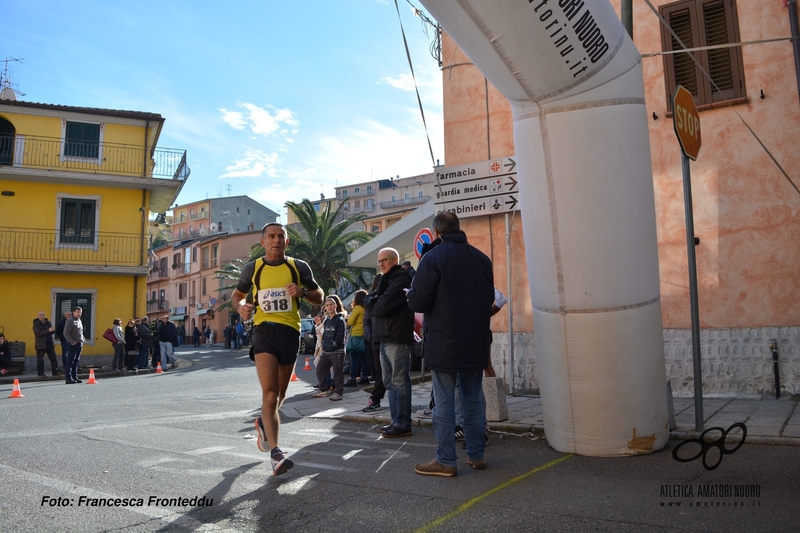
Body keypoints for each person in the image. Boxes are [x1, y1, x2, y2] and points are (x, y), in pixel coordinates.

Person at [231, 222, 323, 476]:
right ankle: (276, 454)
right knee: (269, 394)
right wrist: (241, 307)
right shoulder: (254, 268)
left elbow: (320, 296)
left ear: (287, 241)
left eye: (281, 236)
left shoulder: (298, 267)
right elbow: (237, 295)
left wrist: (302, 292)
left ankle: (263, 422)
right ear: (263, 242)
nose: (276, 240)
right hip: (263, 332)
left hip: (290, 333)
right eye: (271, 236)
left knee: (279, 396)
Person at [407, 211, 494, 477]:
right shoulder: (482, 259)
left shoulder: (432, 258)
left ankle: (445, 460)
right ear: (458, 228)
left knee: (444, 401)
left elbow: (418, 302)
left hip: (445, 341)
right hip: (475, 340)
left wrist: (412, 296)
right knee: (472, 399)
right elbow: (488, 297)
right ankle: (476, 455)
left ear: (436, 233)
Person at [364, 247, 415, 438]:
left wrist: (374, 300)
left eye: (385, 260)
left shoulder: (401, 278)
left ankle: (403, 423)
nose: (381, 264)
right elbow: (371, 303)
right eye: (379, 261)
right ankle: (397, 421)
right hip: (384, 337)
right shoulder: (385, 280)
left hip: (396, 336)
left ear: (395, 260)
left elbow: (380, 307)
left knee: (399, 381)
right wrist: (374, 300)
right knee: (389, 381)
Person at [312, 296, 346, 401]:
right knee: (320, 369)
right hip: (326, 350)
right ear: (325, 308)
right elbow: (322, 333)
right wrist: (324, 344)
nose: (329, 307)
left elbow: (340, 335)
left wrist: (334, 343)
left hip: (337, 351)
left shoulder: (340, 320)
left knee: (337, 373)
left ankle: (338, 393)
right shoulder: (326, 320)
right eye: (327, 305)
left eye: (331, 304)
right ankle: (323, 390)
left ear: (335, 305)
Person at [361, 274, 385, 413]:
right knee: (379, 372)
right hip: (376, 340)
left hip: (388, 338)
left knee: (390, 373)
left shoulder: (389, 296)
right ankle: (375, 400)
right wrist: (369, 335)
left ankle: (376, 399)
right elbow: (367, 320)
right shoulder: (371, 299)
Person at [345, 289, 369, 386]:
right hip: (365, 334)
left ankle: (352, 379)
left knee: (354, 358)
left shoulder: (358, 308)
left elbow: (350, 322)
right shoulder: (367, 308)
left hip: (356, 335)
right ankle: (365, 378)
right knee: (364, 358)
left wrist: (347, 319)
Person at [32, 311, 61, 378]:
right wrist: (48, 331)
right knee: (40, 360)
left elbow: (52, 331)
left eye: (43, 315)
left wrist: (53, 330)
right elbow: (38, 333)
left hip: (49, 343)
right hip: (40, 344)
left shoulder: (48, 322)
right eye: (40, 315)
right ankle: (41, 373)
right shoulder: (36, 324)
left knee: (53, 358)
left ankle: (55, 371)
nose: (42, 316)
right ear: (38, 316)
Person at [63, 307, 85, 384]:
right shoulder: (70, 320)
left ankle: (75, 376)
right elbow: (66, 333)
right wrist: (72, 341)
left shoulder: (79, 321)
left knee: (76, 360)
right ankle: (68, 377)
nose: (79, 313)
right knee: (70, 360)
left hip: (79, 342)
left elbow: (80, 331)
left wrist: (82, 338)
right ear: (73, 312)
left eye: (80, 312)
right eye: (77, 312)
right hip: (73, 344)